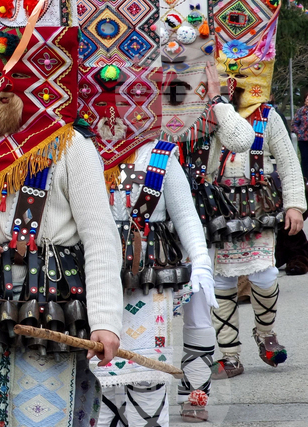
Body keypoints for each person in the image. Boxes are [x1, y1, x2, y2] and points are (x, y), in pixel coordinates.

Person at [0, 27, 123, 427]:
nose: (5, 89)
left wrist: (104, 321)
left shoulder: (73, 149)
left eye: (19, 77)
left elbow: (100, 239)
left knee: (43, 415)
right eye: (2, 77)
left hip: (50, 310)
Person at [90, 139, 216, 427]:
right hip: (94, 274)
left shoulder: (160, 154)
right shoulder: (80, 148)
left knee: (147, 371)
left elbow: (185, 213)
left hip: (150, 275)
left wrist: (201, 262)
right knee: (101, 374)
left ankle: (191, 391)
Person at [209, 85, 306, 377]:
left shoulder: (268, 115)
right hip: (218, 205)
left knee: (264, 273)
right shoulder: (208, 114)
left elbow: (289, 162)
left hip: (258, 205)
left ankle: (266, 334)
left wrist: (294, 205)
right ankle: (229, 355)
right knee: (221, 281)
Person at [291, 92, 308, 185]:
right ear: (305, 101)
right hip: (303, 139)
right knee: (305, 159)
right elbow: (294, 124)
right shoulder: (300, 111)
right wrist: (299, 131)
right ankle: (306, 179)